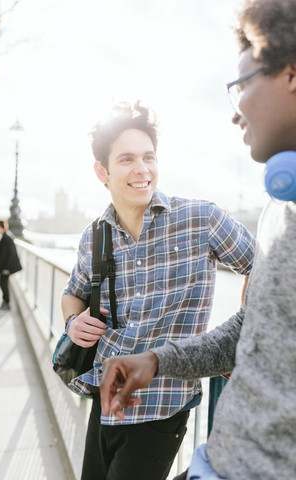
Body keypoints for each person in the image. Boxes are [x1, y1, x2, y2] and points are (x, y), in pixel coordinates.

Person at [99, 1, 296, 479]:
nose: (235, 113)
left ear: (291, 75)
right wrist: (156, 360)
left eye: (242, 86)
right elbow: (252, 328)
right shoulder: (279, 209)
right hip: (216, 461)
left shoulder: (208, 218)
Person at [61, 101, 255, 480]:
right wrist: (72, 321)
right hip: (105, 398)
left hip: (161, 405)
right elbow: (73, 293)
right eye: (127, 159)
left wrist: (238, 343)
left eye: (148, 157)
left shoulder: (201, 219)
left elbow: (264, 269)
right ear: (102, 170)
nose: (142, 169)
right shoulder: (94, 236)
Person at [0, 219, 22, 310]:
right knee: (3, 284)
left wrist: (6, 268)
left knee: (3, 284)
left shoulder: (6, 237)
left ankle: (6, 303)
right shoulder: (6, 236)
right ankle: (5, 302)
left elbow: (10, 254)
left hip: (6, 267)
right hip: (5, 266)